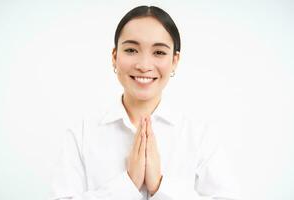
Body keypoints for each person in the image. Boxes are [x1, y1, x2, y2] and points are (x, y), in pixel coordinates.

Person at [49, 5, 241, 200]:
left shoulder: (199, 136)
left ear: (174, 61)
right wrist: (127, 185)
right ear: (115, 57)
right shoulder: (82, 134)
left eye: (159, 52)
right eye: (131, 50)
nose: (144, 65)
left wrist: (160, 186)